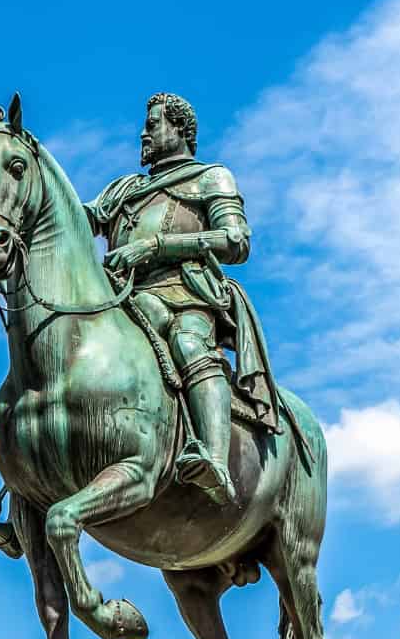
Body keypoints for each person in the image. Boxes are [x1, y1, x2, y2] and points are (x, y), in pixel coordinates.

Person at [87, 92, 285, 506]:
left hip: (185, 294)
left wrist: (156, 246)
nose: (143, 133)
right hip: (124, 297)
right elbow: (75, 217)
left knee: (189, 344)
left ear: (179, 129)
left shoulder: (210, 178)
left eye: (152, 124)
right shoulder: (125, 188)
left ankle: (214, 461)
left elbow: (236, 240)